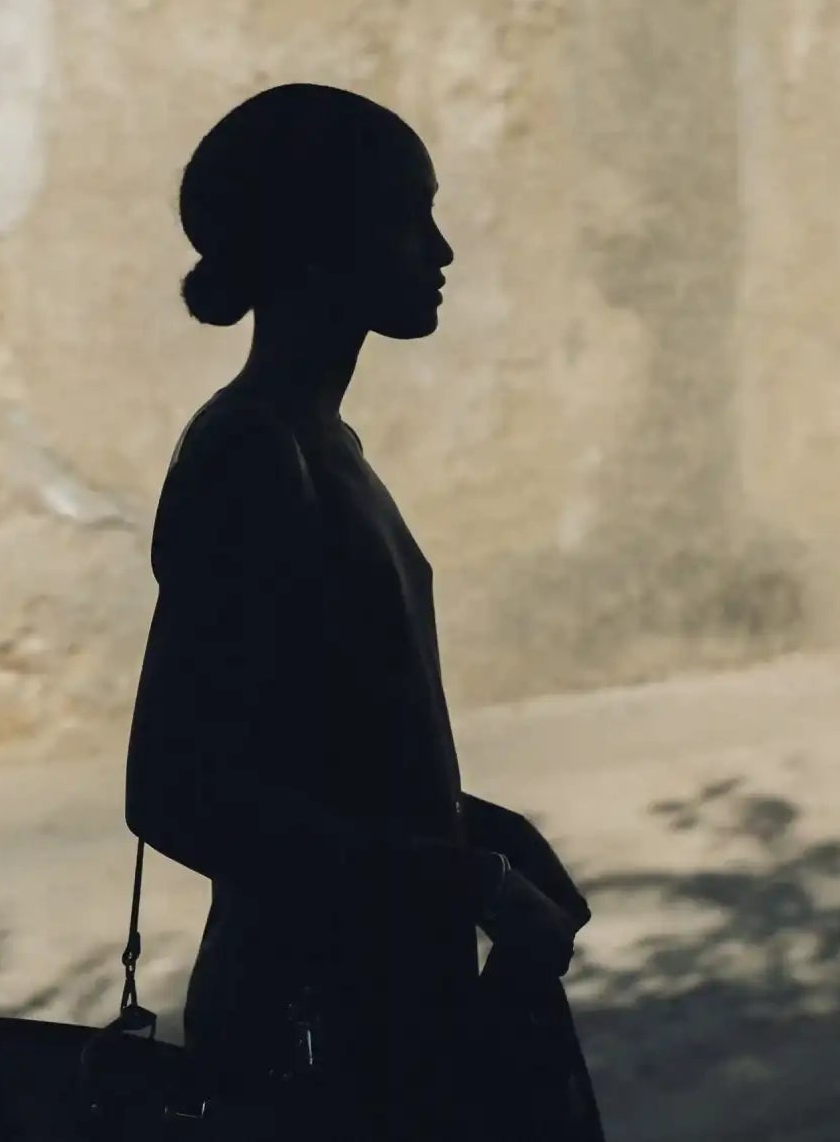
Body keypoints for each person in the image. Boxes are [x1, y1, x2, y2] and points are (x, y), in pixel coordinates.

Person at [124, 83, 594, 1139]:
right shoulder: (249, 453)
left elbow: (324, 758)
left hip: (377, 1024)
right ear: (320, 235)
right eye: (406, 213)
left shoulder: (318, 445)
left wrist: (487, 833)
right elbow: (175, 789)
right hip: (305, 1043)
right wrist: (463, 878)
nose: (440, 249)